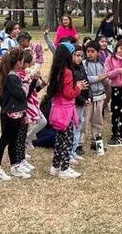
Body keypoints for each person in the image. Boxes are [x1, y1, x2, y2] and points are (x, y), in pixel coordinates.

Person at [45, 43, 88, 179]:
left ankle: (55, 166)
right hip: (66, 111)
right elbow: (69, 93)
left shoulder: (57, 70)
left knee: (60, 139)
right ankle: (64, 168)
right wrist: (79, 87)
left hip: (57, 109)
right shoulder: (67, 72)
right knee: (67, 140)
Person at [0, 48, 30, 181]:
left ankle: (15, 166)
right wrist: (27, 82)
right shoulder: (11, 77)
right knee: (4, 141)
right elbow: (21, 95)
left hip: (17, 113)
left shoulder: (14, 75)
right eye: (23, 60)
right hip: (10, 114)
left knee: (13, 141)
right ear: (19, 62)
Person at [105, 38, 122, 147]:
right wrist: (118, 71)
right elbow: (108, 74)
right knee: (115, 111)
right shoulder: (109, 59)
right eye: (121, 48)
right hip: (115, 87)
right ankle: (115, 132)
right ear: (117, 47)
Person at [82, 41, 107, 154]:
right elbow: (86, 79)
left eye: (93, 51)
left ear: (98, 53)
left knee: (98, 121)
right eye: (88, 51)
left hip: (100, 96)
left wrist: (105, 80)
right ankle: (79, 144)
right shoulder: (84, 64)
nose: (90, 54)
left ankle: (96, 143)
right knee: (84, 121)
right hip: (89, 97)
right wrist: (99, 78)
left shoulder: (102, 64)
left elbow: (106, 77)